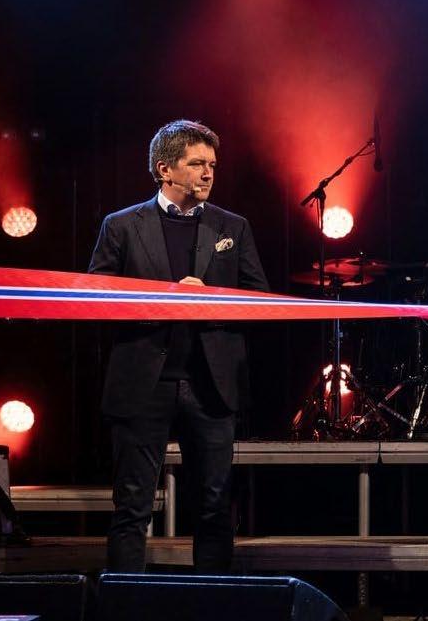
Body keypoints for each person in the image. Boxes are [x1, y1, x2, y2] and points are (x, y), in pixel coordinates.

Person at [88, 119, 269, 573]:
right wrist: (163, 298)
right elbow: (96, 298)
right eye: (197, 164)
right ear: (164, 169)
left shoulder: (233, 226)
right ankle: (125, 602)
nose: (208, 173)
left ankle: (212, 602)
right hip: (142, 384)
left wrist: (210, 299)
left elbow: (259, 301)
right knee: (132, 505)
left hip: (211, 386)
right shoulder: (121, 225)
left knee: (213, 504)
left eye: (213, 165)